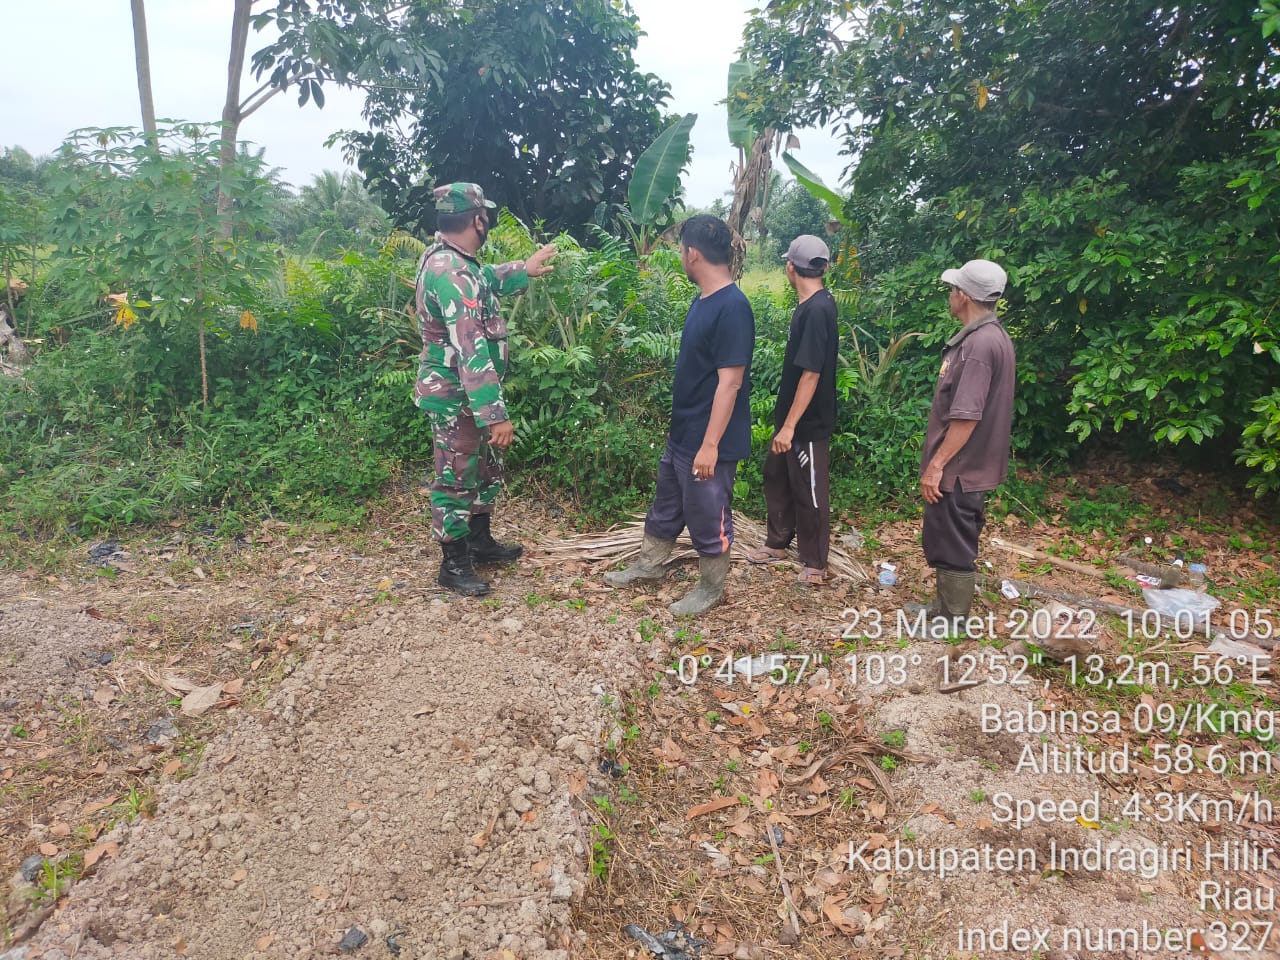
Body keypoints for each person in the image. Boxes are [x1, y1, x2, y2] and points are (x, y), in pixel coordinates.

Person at [605, 215, 755, 615]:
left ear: (692, 254)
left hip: (710, 440)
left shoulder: (733, 307)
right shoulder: (704, 299)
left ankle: (711, 588)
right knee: (667, 504)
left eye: (679, 251)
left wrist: (710, 445)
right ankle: (649, 565)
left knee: (709, 514)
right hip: (683, 433)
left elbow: (731, 384)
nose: (680, 258)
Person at [415, 182, 557, 596]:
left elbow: (483, 279)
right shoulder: (451, 273)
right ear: (478, 219)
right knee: (456, 476)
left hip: (467, 395)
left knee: (483, 470)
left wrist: (521, 269)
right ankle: (454, 563)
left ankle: (478, 539)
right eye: (486, 216)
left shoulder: (455, 262)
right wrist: (496, 415)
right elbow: (471, 351)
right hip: (457, 396)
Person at [916, 258, 1016, 635]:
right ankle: (942, 607)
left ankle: (953, 620)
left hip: (960, 468)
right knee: (946, 534)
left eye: (953, 290)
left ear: (964, 296)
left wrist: (937, 465)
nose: (950, 296)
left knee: (955, 539)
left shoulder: (977, 346)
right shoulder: (991, 337)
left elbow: (966, 417)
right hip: (968, 466)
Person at [747, 235, 839, 585]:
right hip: (791, 418)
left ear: (790, 268)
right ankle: (778, 542)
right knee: (777, 475)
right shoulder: (810, 304)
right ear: (824, 267)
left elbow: (812, 373)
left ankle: (815, 562)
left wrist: (790, 426)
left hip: (808, 422)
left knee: (811, 489)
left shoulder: (817, 310)